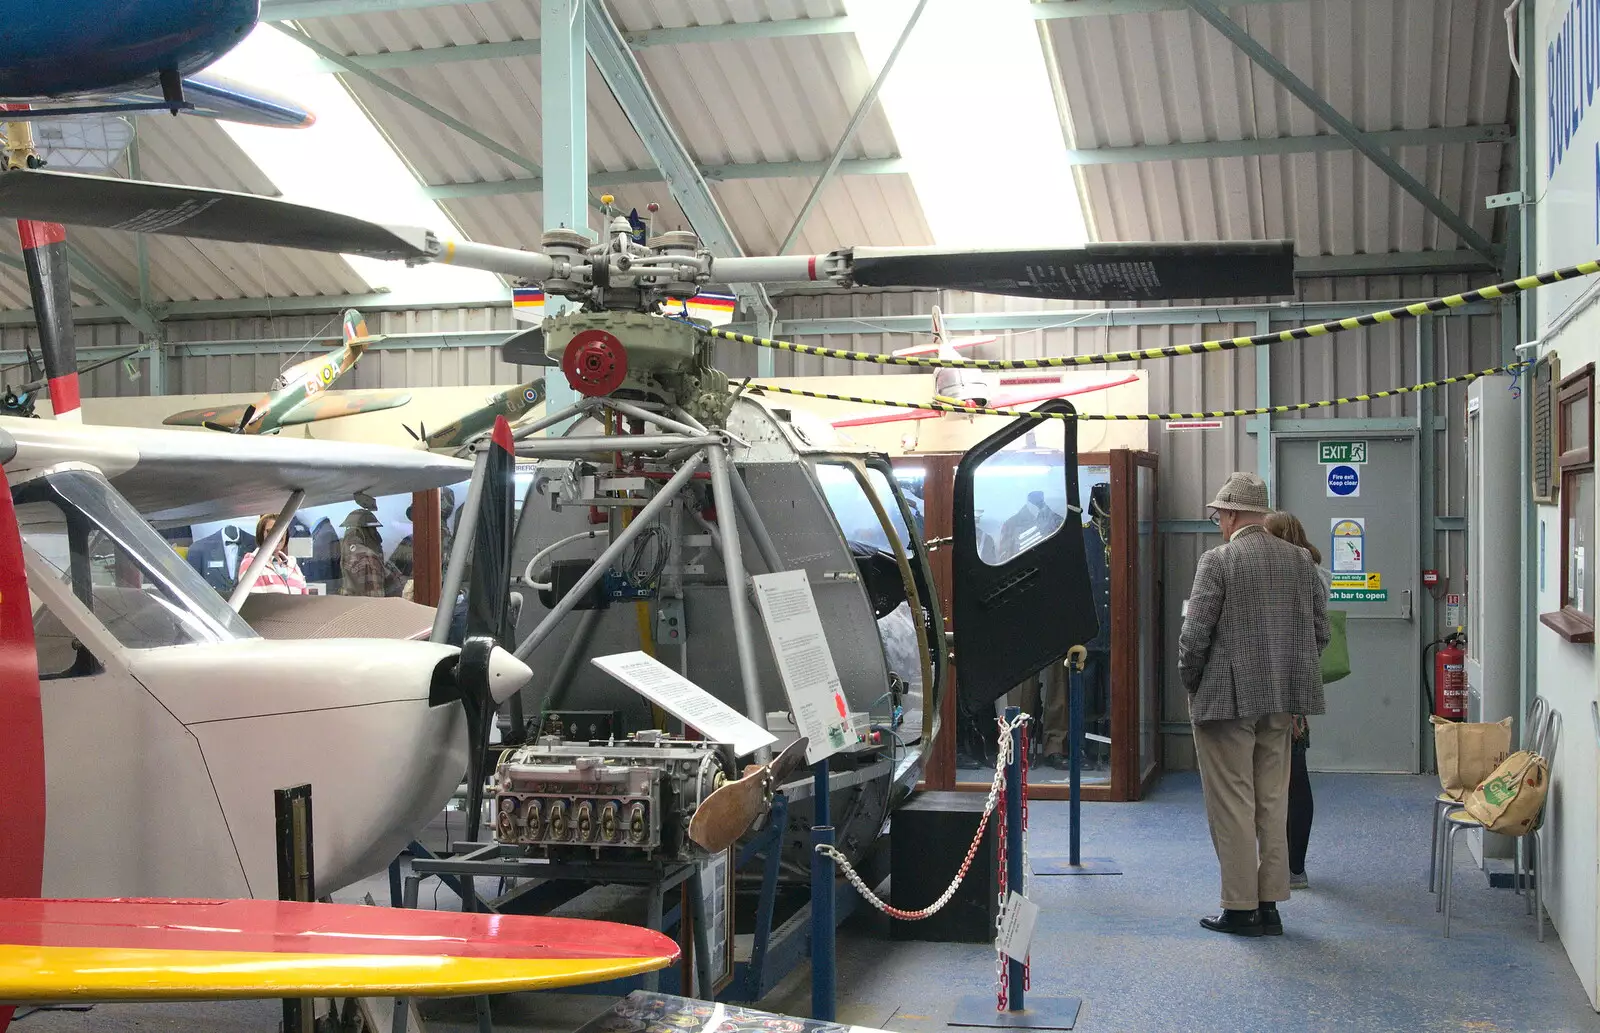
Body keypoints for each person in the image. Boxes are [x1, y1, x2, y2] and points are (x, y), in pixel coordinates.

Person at [1178, 472, 1328, 937]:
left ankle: (1240, 907)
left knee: (1232, 802)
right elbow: (1320, 633)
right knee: (1271, 799)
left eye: (1219, 514)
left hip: (1226, 700)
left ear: (1232, 514)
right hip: (1281, 700)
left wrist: (1192, 680)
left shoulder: (1217, 561)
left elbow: (1194, 636)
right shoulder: (1301, 561)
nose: (1217, 522)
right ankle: (1271, 904)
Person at [1263, 510, 1333, 890]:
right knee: (1297, 774)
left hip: (1280, 686)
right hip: (1299, 686)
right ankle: (1296, 866)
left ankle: (1285, 865)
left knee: (1285, 779)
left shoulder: (1291, 575)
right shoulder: (1317, 571)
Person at [340, 509, 405, 598]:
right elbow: (375, 601)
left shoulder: (346, 555)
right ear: (367, 532)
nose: (378, 537)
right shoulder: (368, 558)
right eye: (374, 529)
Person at [237, 514, 308, 595]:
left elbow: (306, 601)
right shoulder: (251, 564)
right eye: (270, 531)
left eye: (282, 531)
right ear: (261, 534)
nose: (278, 536)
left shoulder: (294, 566)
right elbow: (256, 603)